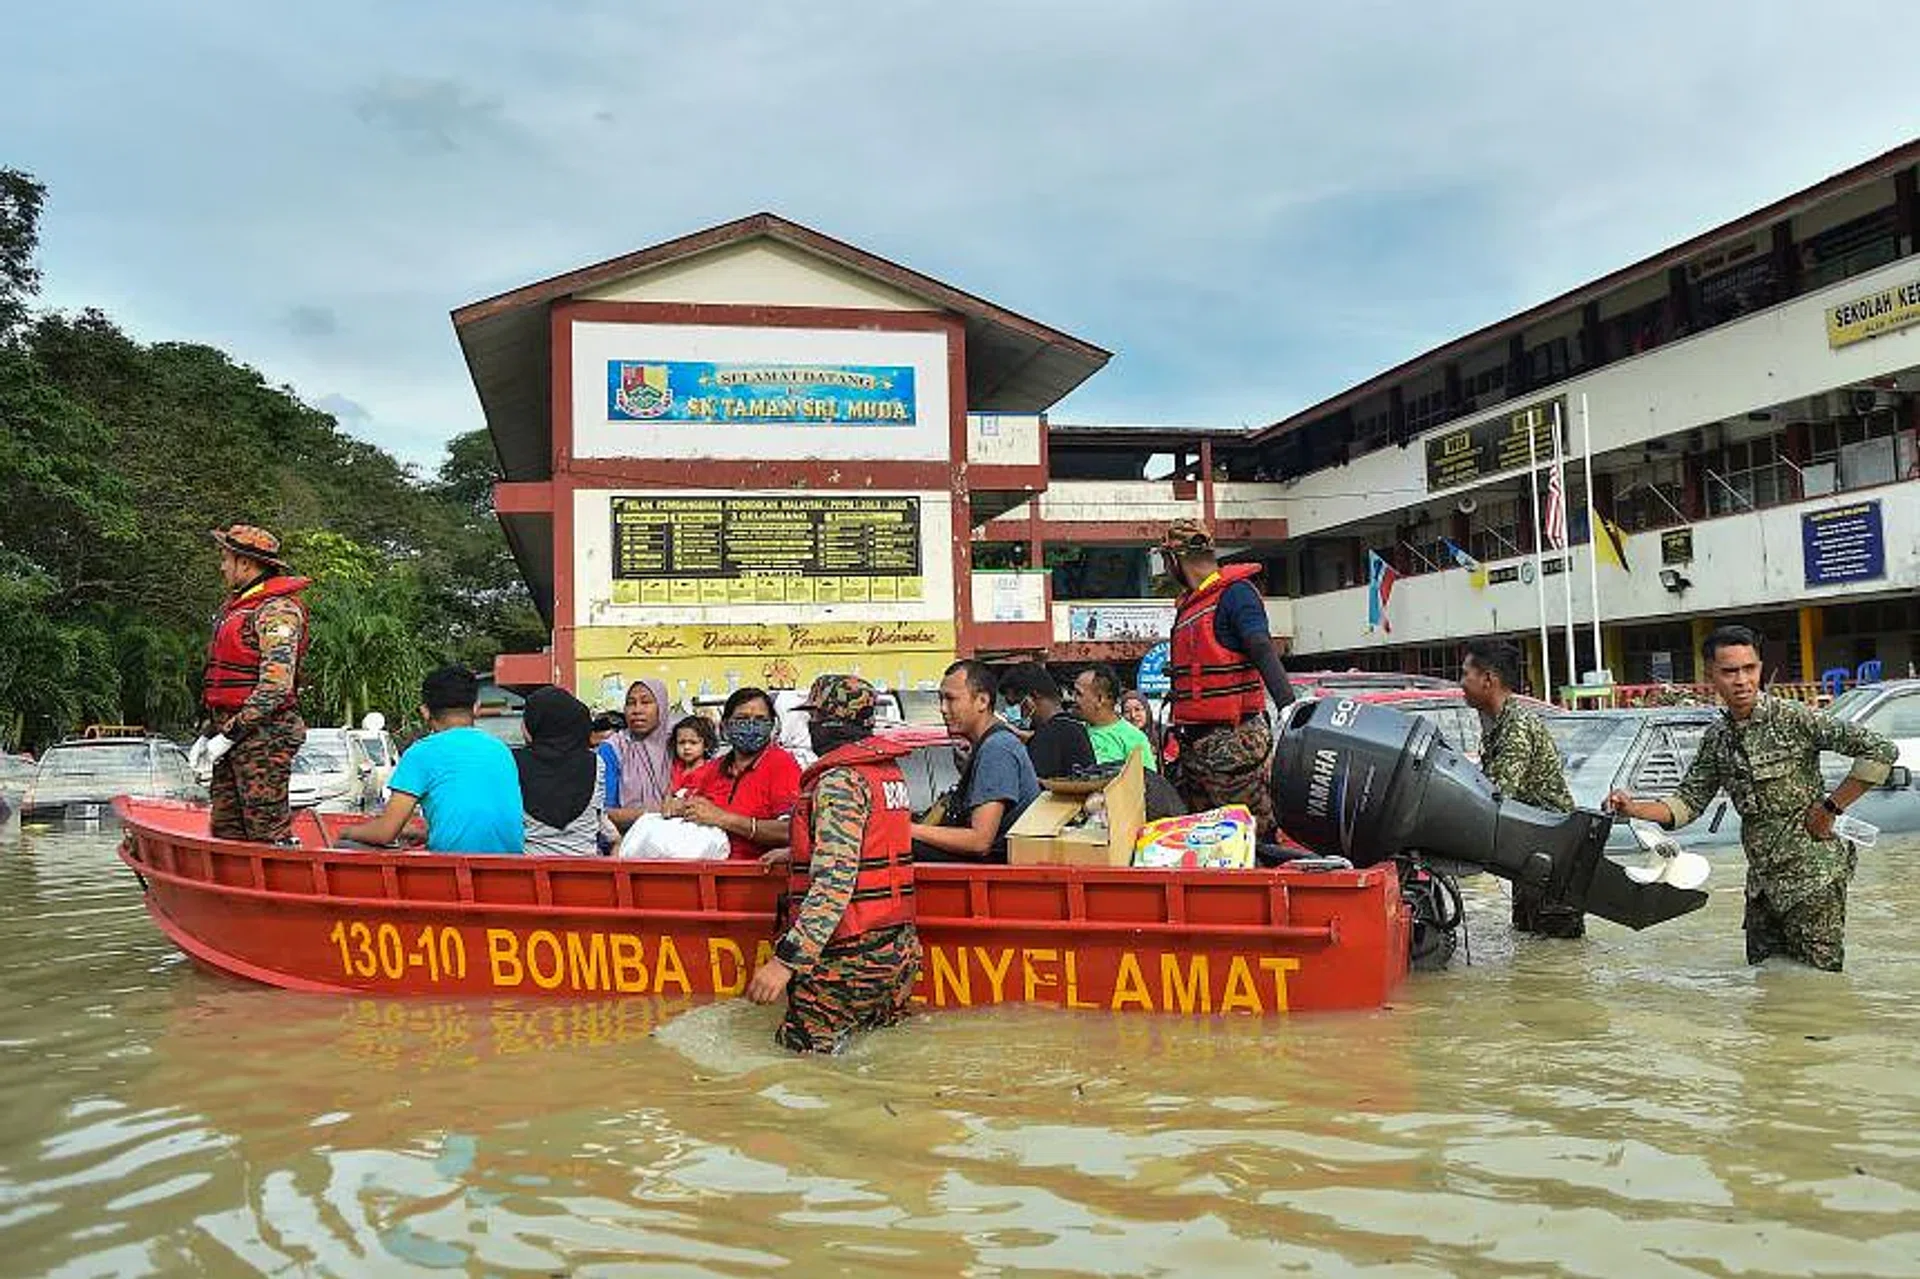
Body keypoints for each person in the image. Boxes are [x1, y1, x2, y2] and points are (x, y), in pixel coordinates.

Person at [1607, 625, 1898, 972]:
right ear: (1711, 675)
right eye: (1730, 671)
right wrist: (1633, 807)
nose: (1742, 680)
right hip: (1762, 888)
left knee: (1818, 990)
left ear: (1760, 668)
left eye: (1750, 669)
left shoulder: (1793, 719)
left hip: (1814, 879)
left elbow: (1881, 749)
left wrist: (1831, 808)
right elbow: (1687, 804)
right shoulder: (1718, 738)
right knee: (1767, 986)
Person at [747, 675, 921, 1053]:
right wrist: (798, 852)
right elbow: (867, 845)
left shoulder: (840, 780)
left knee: (801, 1066)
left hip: (849, 957)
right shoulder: (886, 773)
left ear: (831, 722)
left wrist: (786, 962)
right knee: (874, 1059)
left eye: (815, 718)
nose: (810, 727)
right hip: (896, 949)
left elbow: (834, 882)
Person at [1158, 519, 1295, 839]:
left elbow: (1260, 645)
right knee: (1205, 841)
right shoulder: (1193, 604)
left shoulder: (1235, 594)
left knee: (1249, 837)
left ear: (1174, 560)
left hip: (1236, 741)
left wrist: (1288, 706)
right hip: (1196, 747)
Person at [197, 524, 312, 844]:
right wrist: (211, 732)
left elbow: (276, 687)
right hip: (231, 730)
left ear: (245, 563)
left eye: (225, 558)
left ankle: (281, 891)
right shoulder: (238, 607)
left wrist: (229, 734)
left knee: (266, 830)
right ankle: (233, 893)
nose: (222, 567)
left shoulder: (277, 610)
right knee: (226, 828)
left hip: (265, 735)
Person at [1460, 638, 1580, 938]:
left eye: (1466, 674)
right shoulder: (1498, 726)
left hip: (1553, 860)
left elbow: (1493, 798)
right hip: (1533, 855)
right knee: (1529, 946)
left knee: (1553, 959)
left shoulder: (1516, 728)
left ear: (1488, 680)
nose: (1461, 683)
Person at [341, 666, 525, 854]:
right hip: (510, 867)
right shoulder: (500, 750)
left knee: (346, 845)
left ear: (425, 711)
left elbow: (385, 833)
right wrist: (428, 834)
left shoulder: (421, 753)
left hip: (452, 871)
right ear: (476, 707)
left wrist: (346, 832)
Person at [910, 660, 1040, 862]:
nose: (943, 709)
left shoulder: (998, 749)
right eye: (941, 700)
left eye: (951, 699)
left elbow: (979, 841)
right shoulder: (989, 745)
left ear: (982, 701)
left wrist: (908, 830)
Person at [663, 687, 801, 860]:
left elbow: (791, 831)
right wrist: (679, 807)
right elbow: (694, 806)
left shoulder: (782, 764)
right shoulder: (714, 768)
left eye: (760, 720)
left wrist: (723, 818)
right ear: (726, 725)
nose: (751, 726)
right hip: (708, 873)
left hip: (756, 876)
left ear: (772, 725)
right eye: (741, 719)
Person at [514, 685, 613, 856]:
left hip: (531, 871)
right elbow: (598, 818)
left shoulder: (513, 763)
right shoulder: (595, 763)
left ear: (536, 723)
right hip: (586, 871)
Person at [997, 661, 1095, 779]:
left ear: (1033, 697)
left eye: (1015, 703)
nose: (1013, 710)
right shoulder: (1075, 726)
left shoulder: (1049, 736)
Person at [604, 678, 673, 827]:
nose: (637, 710)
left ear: (661, 706)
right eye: (630, 703)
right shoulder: (612, 749)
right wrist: (659, 812)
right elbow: (604, 812)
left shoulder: (679, 744)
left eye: (646, 702)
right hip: (626, 840)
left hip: (678, 840)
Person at [1074, 663, 1159, 771]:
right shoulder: (1075, 732)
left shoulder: (1135, 739)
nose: (1074, 699)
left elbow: (1148, 784)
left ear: (1100, 699)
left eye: (1079, 694)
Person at [669, 715, 718, 788]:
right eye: (681, 742)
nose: (686, 747)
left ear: (706, 745)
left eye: (693, 742)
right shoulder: (673, 769)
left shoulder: (710, 772)